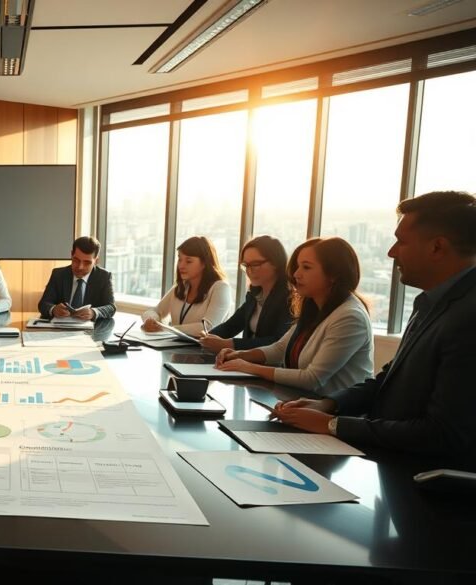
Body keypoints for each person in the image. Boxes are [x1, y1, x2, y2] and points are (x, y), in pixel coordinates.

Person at [273, 191, 476, 459]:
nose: (391, 253)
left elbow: (443, 433)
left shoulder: (468, 316)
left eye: (400, 242)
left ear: (437, 247)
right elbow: (388, 380)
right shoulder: (431, 303)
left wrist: (333, 425)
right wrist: (328, 404)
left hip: (424, 482)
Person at [216, 237, 373, 394]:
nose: (296, 274)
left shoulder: (350, 317)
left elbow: (312, 379)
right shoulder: (315, 307)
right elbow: (279, 349)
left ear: (333, 274)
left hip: (332, 413)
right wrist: (239, 355)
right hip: (298, 402)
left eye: (306, 267)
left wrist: (248, 367)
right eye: (297, 267)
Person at [200, 235, 294, 352]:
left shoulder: (289, 299)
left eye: (255, 265)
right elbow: (231, 326)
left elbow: (278, 342)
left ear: (276, 263)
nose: (249, 271)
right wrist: (206, 338)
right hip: (245, 363)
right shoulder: (254, 296)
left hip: (270, 367)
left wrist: (230, 344)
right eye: (246, 265)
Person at [142, 236, 233, 335]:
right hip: (173, 346)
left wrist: (167, 329)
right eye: (180, 259)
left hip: (203, 350)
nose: (181, 265)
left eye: (188, 261)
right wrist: (151, 321)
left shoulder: (221, 288)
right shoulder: (181, 287)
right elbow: (155, 311)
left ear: (204, 263)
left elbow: (208, 327)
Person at [38, 236, 116, 321]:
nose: (80, 267)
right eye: (76, 260)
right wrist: (53, 309)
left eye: (87, 263)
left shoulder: (104, 277)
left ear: (96, 261)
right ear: (71, 254)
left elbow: (111, 307)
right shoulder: (58, 274)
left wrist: (94, 312)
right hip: (61, 329)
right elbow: (43, 304)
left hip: (92, 331)